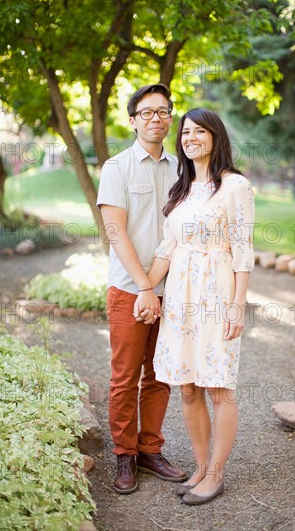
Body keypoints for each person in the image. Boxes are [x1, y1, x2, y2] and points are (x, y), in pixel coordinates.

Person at [134, 108, 255, 505]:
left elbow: (242, 250)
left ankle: (217, 474)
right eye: (185, 132)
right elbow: (168, 248)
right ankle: (201, 467)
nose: (191, 138)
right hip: (181, 299)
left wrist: (238, 305)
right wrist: (145, 287)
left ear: (215, 137)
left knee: (219, 387)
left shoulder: (235, 187)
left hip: (217, 293)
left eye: (199, 131)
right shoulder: (181, 189)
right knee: (187, 387)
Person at [97, 84, 187, 494]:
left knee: (160, 376)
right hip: (130, 291)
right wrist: (146, 287)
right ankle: (125, 457)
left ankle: (150, 450)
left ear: (170, 118)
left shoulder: (182, 168)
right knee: (124, 377)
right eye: (147, 112)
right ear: (132, 120)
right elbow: (116, 232)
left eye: (164, 111)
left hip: (174, 290)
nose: (156, 118)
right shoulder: (116, 167)